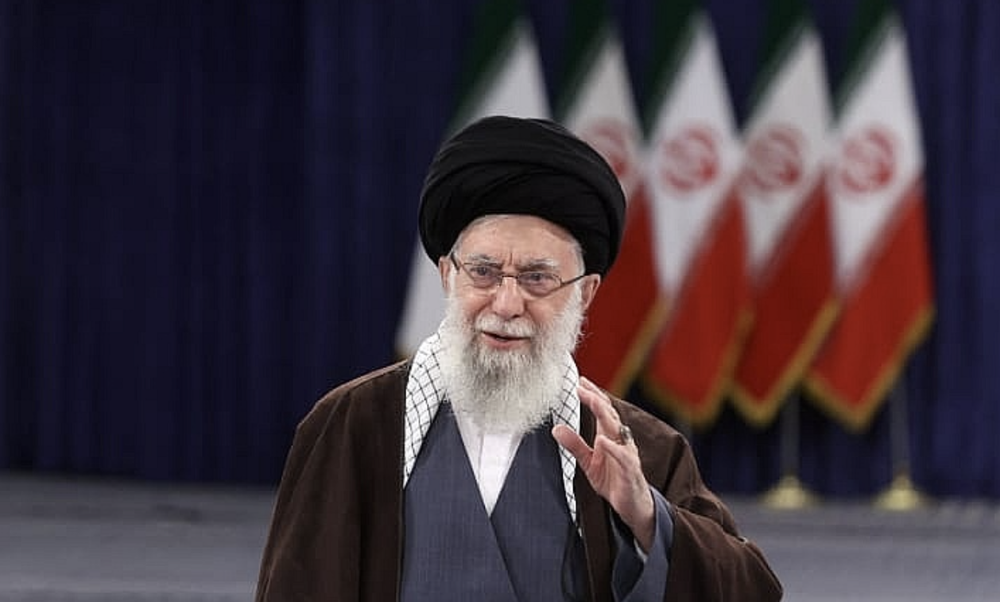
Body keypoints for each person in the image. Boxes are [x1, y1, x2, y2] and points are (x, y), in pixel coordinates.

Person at [254, 116, 782, 601]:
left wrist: (645, 516)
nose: (507, 304)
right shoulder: (352, 425)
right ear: (447, 274)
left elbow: (752, 590)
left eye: (537, 278)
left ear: (586, 292)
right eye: (483, 272)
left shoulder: (638, 447)